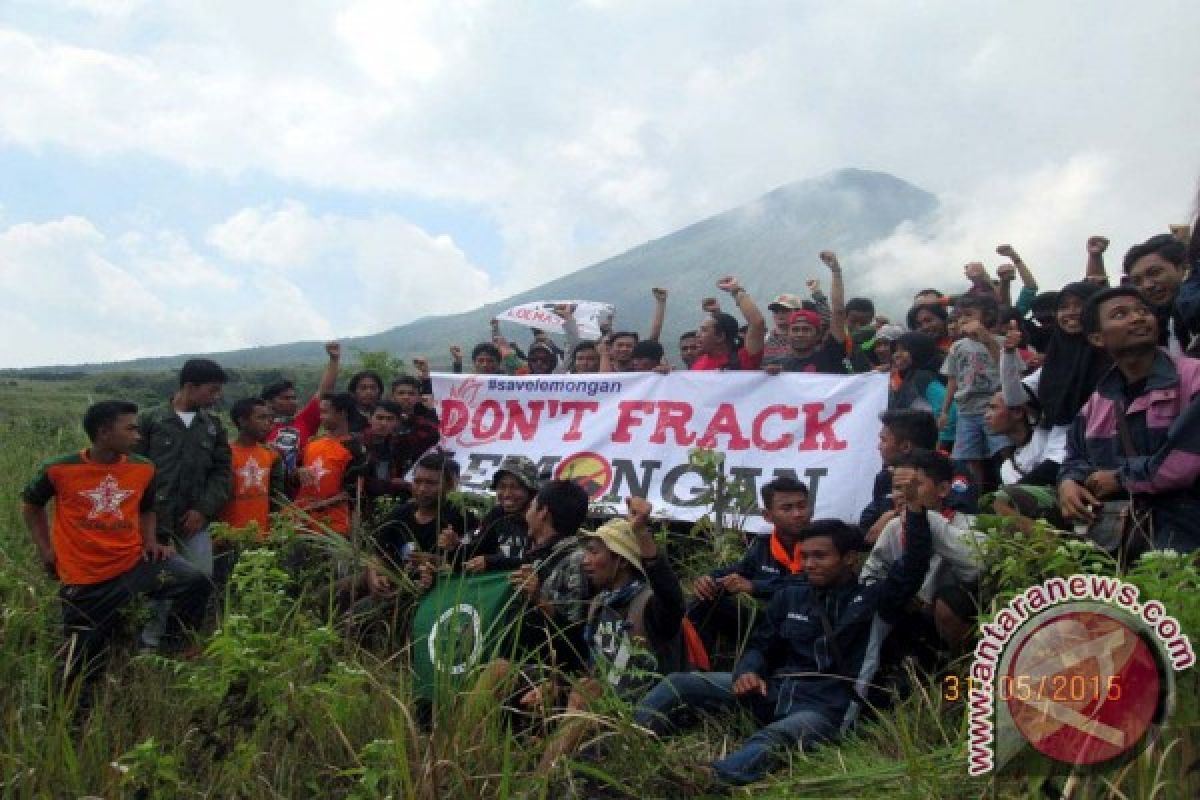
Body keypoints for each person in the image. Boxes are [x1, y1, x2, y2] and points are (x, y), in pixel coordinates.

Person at [634, 509, 934, 786]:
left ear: (850, 559)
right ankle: (625, 738)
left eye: (820, 556)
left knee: (776, 738)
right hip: (772, 692)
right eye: (805, 557)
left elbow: (913, 568)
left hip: (826, 710)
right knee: (679, 684)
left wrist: (917, 513)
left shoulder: (873, 602)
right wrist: (748, 672)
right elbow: (760, 645)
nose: (809, 564)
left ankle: (708, 780)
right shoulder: (791, 596)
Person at [21, 401, 210, 685]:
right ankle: (74, 714)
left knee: (195, 581)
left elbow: (147, 508)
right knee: (81, 666)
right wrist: (46, 550)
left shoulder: (143, 468)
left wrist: (150, 541)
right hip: (85, 577)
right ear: (104, 432)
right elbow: (31, 506)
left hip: (133, 564)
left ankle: (176, 650)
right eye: (131, 428)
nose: (138, 435)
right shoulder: (59, 468)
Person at [534, 497, 686, 772]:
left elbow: (673, 600)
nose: (585, 561)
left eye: (594, 553)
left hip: (641, 714)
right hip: (597, 705)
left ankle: (539, 783)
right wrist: (555, 684)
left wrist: (641, 533)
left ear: (621, 561)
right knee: (504, 671)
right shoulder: (600, 604)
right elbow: (589, 664)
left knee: (586, 693)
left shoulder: (649, 604)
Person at [1058, 288, 1200, 553]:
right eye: (1121, 314)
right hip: (1130, 512)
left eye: (1143, 311)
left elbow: (1183, 465)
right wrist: (1069, 481)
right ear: (1097, 338)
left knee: (1164, 574)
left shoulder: (1194, 378)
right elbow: (1075, 454)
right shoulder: (1098, 401)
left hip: (1187, 512)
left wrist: (1120, 479)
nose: (1137, 318)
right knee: (1012, 501)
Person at [135, 358, 231, 650]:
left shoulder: (212, 426)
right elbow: (133, 472)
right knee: (161, 583)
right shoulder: (149, 420)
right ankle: (150, 645)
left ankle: (183, 642)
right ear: (190, 387)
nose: (216, 398)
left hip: (195, 522)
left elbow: (222, 473)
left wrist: (203, 509)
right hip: (154, 522)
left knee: (200, 580)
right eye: (212, 391)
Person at [860, 449, 982, 649]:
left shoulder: (968, 525)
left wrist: (924, 522)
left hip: (944, 622)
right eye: (897, 488)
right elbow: (869, 577)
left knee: (948, 603)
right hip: (902, 622)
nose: (902, 495)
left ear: (943, 489)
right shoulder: (893, 527)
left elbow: (977, 567)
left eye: (912, 487)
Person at [688, 476, 812, 657]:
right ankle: (698, 666)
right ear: (767, 516)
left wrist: (754, 586)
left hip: (807, 626)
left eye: (802, 506)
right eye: (787, 508)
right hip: (770, 625)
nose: (797, 514)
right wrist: (709, 579)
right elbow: (739, 570)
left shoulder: (822, 542)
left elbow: (809, 584)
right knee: (703, 599)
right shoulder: (763, 545)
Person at [509, 479, 592, 674]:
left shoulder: (576, 560)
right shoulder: (540, 555)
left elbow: (575, 634)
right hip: (526, 661)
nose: (526, 514)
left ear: (543, 513)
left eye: (531, 507)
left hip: (552, 674)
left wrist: (539, 600)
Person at [937, 295, 1009, 492]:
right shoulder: (957, 347)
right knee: (970, 457)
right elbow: (953, 379)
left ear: (987, 317)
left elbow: (1008, 368)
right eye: (960, 316)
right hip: (966, 411)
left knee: (1004, 449)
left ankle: (1010, 488)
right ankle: (977, 494)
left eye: (969, 315)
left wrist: (986, 339)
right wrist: (944, 410)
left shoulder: (1001, 343)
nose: (963, 320)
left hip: (994, 408)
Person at [375, 452, 476, 561]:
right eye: (417, 481)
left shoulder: (464, 520)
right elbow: (374, 554)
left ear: (450, 485)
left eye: (431, 483)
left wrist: (449, 554)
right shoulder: (399, 515)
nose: (422, 489)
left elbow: (477, 559)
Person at [293, 392, 368, 537]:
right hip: (302, 523)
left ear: (342, 413)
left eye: (325, 412)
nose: (321, 417)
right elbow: (293, 478)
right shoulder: (312, 443)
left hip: (335, 526)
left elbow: (354, 492)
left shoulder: (355, 449)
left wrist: (320, 505)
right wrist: (299, 471)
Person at [263, 341, 341, 477]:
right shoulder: (259, 427)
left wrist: (334, 360)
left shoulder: (304, 420)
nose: (292, 402)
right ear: (269, 402)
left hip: (302, 490)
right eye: (286, 398)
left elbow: (325, 391)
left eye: (294, 398)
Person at [450, 455, 538, 573]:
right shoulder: (496, 516)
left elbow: (541, 561)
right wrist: (455, 547)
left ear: (530, 490)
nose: (507, 494)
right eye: (502, 487)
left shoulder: (542, 518)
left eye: (515, 487)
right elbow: (473, 553)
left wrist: (492, 562)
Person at [218, 397, 286, 537]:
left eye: (269, 418)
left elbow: (276, 497)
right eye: (261, 418)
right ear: (242, 421)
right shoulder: (225, 454)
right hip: (228, 537)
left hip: (263, 536)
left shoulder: (271, 455)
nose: (268, 423)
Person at [1123, 233, 1196, 356]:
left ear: (1183, 268)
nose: (1147, 285)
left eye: (1155, 273)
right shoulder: (1153, 324)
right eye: (1137, 281)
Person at [691, 276, 767, 371]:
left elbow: (757, 323)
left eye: (704, 330)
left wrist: (736, 291)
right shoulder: (697, 365)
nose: (697, 335)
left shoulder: (745, 358)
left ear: (720, 337)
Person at [764, 294, 804, 365]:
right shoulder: (764, 339)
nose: (780, 314)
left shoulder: (805, 339)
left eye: (785, 310)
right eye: (775, 311)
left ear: (798, 312)